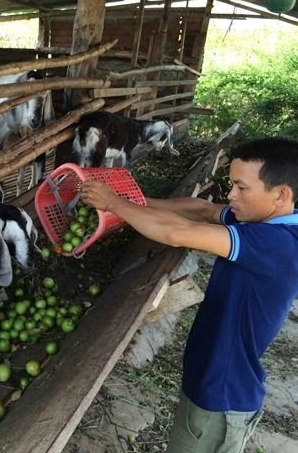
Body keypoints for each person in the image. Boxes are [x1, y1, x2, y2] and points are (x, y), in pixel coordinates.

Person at [80, 136, 298, 453]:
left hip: (219, 400)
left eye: (241, 187)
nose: (230, 195)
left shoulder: (278, 244)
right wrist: (134, 199)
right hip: (217, 386)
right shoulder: (264, 220)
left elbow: (179, 233)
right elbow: (202, 209)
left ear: (281, 194)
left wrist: (114, 204)